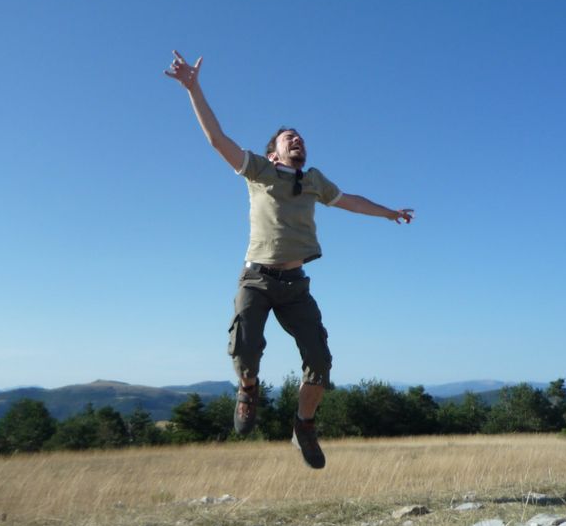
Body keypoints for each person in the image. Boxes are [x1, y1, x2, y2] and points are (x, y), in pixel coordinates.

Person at [164, 51, 413, 469]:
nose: (297, 140)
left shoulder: (314, 181)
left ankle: (303, 425)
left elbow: (349, 200)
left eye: (301, 137)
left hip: (296, 285)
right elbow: (217, 140)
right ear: (274, 153)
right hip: (257, 279)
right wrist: (194, 89)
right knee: (245, 343)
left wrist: (388, 212)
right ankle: (248, 389)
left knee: (319, 360)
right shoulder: (260, 172)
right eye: (288, 138)